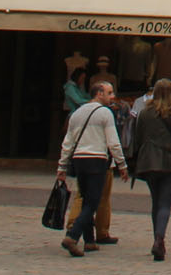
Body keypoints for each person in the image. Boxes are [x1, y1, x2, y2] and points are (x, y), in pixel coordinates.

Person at [59, 79, 126, 258]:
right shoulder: (105, 113)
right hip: (97, 160)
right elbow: (113, 142)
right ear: (99, 93)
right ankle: (72, 237)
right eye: (109, 93)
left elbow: (68, 142)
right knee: (92, 202)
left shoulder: (77, 113)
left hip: (79, 160)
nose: (113, 97)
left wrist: (62, 166)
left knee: (85, 196)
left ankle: (89, 241)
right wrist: (122, 164)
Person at [133, 78, 171, 261]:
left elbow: (138, 137)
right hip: (169, 161)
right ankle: (160, 239)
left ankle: (156, 238)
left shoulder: (145, 112)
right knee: (165, 203)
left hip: (149, 161)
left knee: (156, 202)